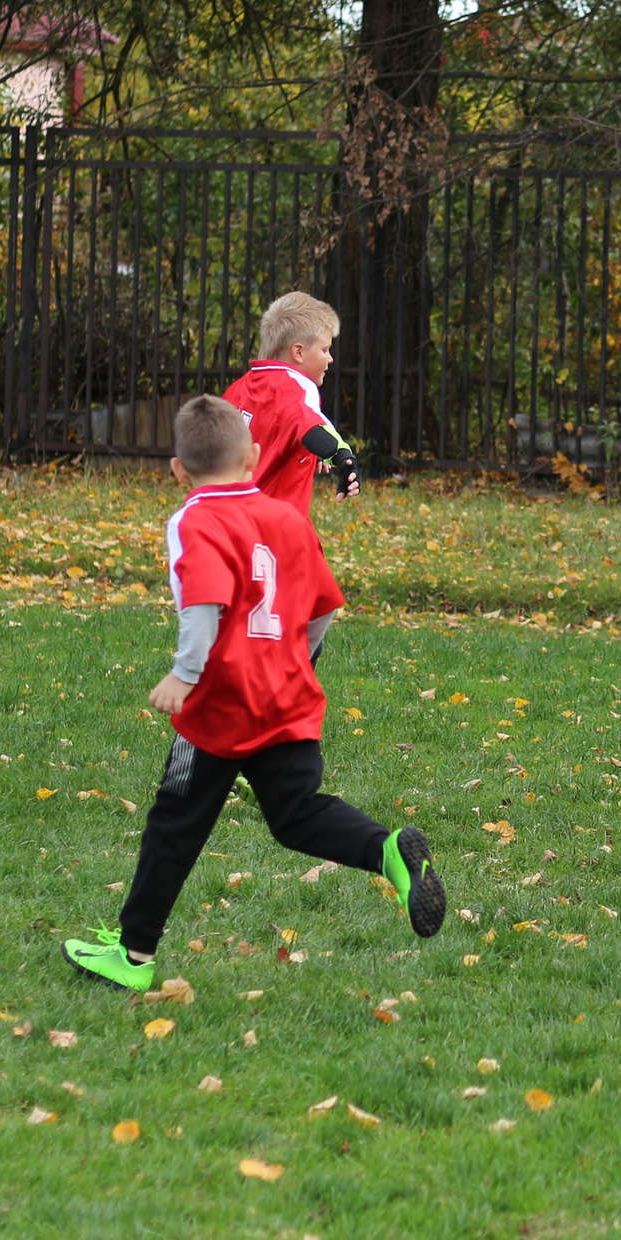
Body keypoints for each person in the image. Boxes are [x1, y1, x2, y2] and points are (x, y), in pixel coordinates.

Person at [62, 395, 442, 993]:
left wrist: (186, 674)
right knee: (298, 814)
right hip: (287, 693)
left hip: (219, 703)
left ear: (177, 470)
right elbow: (322, 610)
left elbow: (205, 602)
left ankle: (132, 957)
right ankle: (388, 849)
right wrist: (296, 663)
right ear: (256, 457)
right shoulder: (288, 518)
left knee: (175, 823)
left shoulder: (193, 519)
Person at [222, 292, 359, 663]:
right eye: (326, 349)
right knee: (316, 609)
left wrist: (308, 454)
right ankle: (281, 689)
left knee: (246, 631)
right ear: (299, 353)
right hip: (278, 534)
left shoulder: (240, 389)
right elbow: (308, 423)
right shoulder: (297, 385)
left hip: (230, 528)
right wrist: (341, 456)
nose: (330, 359)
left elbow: (278, 433)